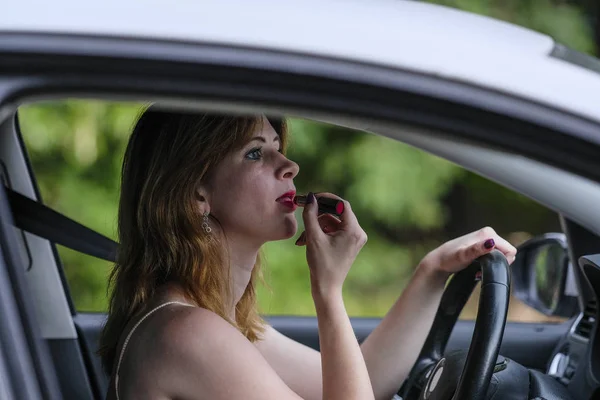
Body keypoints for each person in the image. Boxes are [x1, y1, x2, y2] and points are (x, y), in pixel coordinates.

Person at [98, 107, 517, 400]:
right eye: (255, 153)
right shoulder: (189, 334)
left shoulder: (226, 325)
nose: (290, 165)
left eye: (278, 146)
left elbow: (359, 380)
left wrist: (434, 269)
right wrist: (327, 291)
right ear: (196, 194)